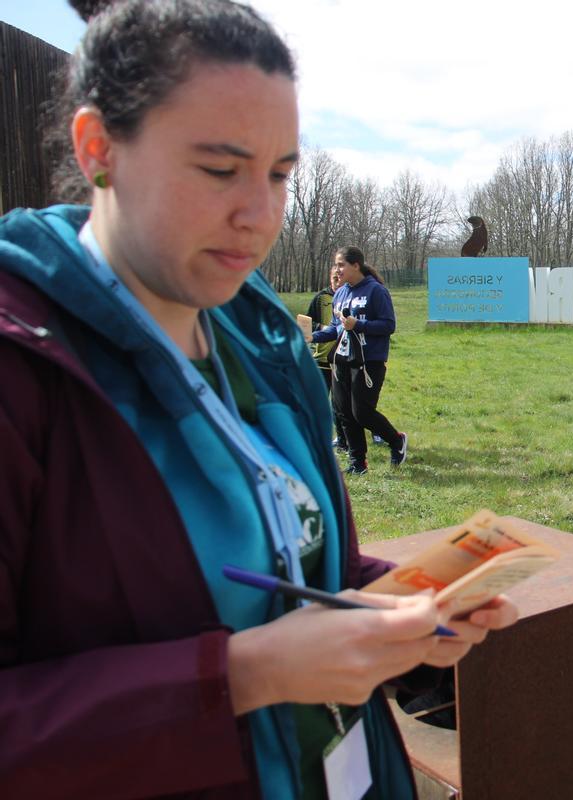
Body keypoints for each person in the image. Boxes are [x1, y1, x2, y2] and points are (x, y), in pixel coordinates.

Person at [0, 1, 515, 797]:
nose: (260, 215)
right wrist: (239, 676)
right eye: (218, 170)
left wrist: (396, 610)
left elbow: (289, 560)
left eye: (279, 174)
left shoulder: (257, 334)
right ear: (98, 148)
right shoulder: (20, 360)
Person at [310, 246, 408, 475]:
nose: (337, 269)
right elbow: (336, 329)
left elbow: (388, 325)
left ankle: (396, 441)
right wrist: (312, 336)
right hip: (342, 359)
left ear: (356, 265)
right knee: (344, 411)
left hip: (368, 361)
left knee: (361, 412)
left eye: (341, 264)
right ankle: (358, 463)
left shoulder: (376, 291)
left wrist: (359, 325)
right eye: (335, 265)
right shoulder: (342, 293)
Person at [307, 262, 348, 451]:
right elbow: (306, 323)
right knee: (317, 401)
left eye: (340, 278)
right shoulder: (320, 298)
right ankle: (315, 436)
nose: (338, 282)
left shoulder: (350, 296)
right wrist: (320, 329)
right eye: (334, 278)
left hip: (342, 359)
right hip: (321, 358)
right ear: (330, 278)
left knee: (339, 405)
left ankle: (342, 440)